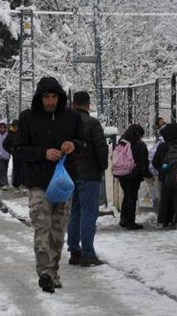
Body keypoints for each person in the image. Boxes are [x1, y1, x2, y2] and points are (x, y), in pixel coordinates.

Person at [15, 76, 84, 293]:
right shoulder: (27, 118)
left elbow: (84, 143)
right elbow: (18, 149)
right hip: (38, 182)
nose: (50, 101)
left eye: (54, 97)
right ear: (40, 98)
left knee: (58, 229)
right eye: (46, 97)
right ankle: (44, 271)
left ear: (60, 97)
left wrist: (73, 145)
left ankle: (54, 271)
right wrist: (42, 153)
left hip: (63, 182)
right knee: (41, 225)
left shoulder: (72, 118)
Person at [66, 91, 109, 268]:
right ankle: (88, 253)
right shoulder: (92, 123)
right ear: (88, 104)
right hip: (89, 174)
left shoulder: (66, 123)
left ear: (73, 103)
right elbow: (101, 149)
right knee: (89, 214)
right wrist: (103, 166)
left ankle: (74, 250)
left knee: (74, 212)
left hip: (70, 174)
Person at [152, 123, 177, 228]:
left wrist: (162, 170)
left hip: (166, 177)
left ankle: (161, 221)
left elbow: (155, 162)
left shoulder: (163, 146)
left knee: (164, 200)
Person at [116, 124, 150, 230]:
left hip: (121, 174)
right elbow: (143, 163)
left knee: (127, 196)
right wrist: (147, 175)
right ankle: (130, 222)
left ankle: (123, 219)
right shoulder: (140, 145)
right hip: (133, 175)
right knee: (132, 198)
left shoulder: (122, 142)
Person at [5, 119, 24, 190]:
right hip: (16, 155)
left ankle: (22, 183)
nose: (17, 127)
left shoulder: (22, 133)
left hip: (23, 154)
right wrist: (11, 151)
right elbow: (5, 144)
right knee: (17, 170)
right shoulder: (11, 133)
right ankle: (16, 184)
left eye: (18, 126)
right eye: (16, 126)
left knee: (23, 169)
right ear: (13, 126)